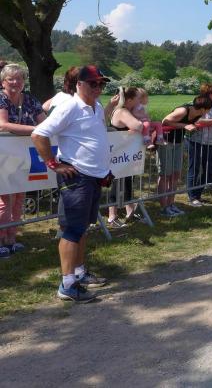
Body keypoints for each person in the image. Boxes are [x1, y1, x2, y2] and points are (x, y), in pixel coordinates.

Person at [31, 65, 113, 303]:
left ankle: (79, 273)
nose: (98, 88)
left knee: (82, 227)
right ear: (79, 84)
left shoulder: (97, 107)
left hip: (93, 177)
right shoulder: (70, 107)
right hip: (76, 178)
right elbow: (39, 134)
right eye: (93, 83)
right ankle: (67, 284)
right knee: (72, 230)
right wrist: (53, 164)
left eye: (101, 84)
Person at [0, 64, 47, 257]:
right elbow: (3, 125)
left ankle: (12, 238)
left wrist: (43, 128)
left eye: (19, 78)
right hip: (3, 156)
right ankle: (1, 239)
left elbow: (45, 122)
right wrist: (35, 130)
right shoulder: (1, 98)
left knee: (19, 198)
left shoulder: (30, 100)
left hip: (23, 156)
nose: (15, 82)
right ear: (3, 82)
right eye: (10, 79)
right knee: (4, 201)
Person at [157, 95, 212, 217]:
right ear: (203, 108)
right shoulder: (183, 111)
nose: (209, 111)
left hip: (178, 142)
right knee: (165, 175)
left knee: (175, 174)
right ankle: (163, 207)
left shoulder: (198, 114)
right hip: (166, 142)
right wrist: (184, 126)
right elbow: (164, 121)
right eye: (208, 109)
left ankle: (171, 204)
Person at [106, 87, 145, 228]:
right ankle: (112, 216)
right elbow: (138, 126)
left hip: (125, 153)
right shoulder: (122, 111)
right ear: (129, 100)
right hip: (120, 154)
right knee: (118, 184)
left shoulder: (122, 110)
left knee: (127, 182)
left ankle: (130, 212)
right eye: (137, 98)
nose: (140, 101)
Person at [186, 83, 212, 206]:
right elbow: (196, 120)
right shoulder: (199, 103)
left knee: (209, 169)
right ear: (210, 94)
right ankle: (192, 197)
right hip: (196, 140)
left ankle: (198, 194)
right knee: (195, 168)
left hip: (209, 141)